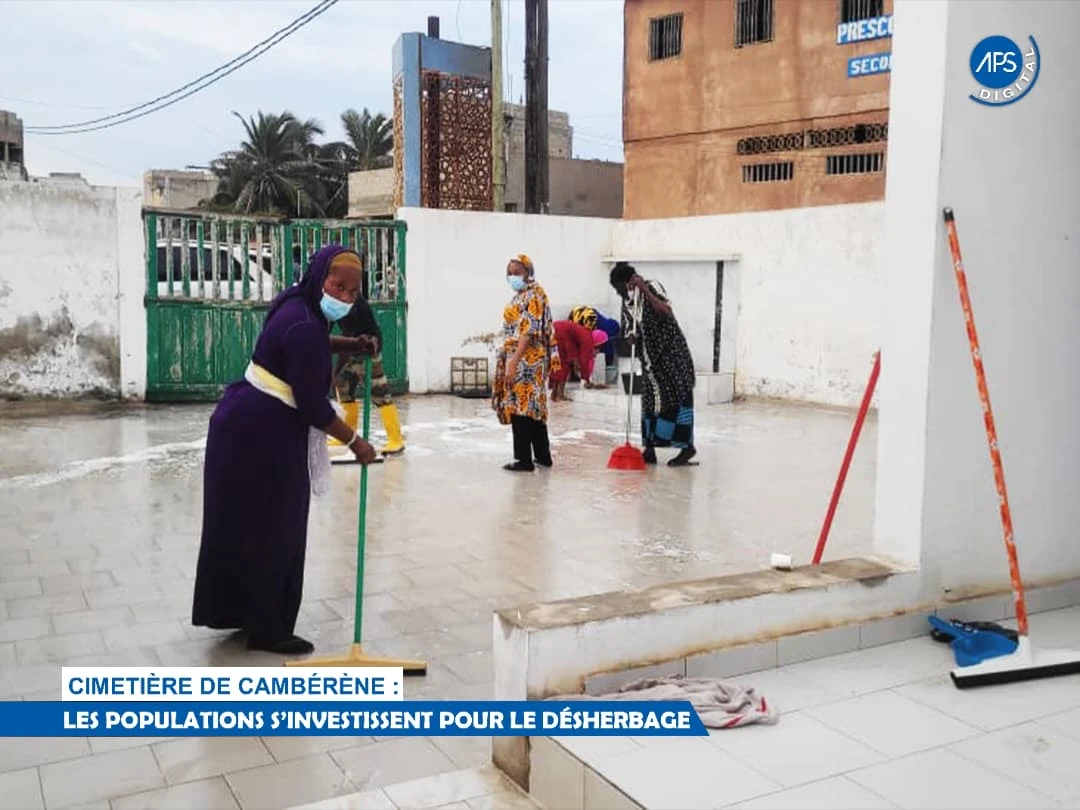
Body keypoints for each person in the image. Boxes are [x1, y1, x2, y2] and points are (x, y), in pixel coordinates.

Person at [192, 246, 378, 655]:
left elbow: (308, 343)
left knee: (245, 527)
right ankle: (267, 629)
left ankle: (242, 612)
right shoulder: (304, 325)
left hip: (243, 422)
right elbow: (313, 406)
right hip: (263, 434)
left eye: (353, 291)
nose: (345, 296)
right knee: (277, 530)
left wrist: (350, 343)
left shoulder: (295, 303)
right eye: (338, 285)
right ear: (319, 278)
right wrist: (357, 443)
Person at [609, 261, 698, 467]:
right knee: (649, 402)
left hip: (671, 357)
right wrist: (631, 338)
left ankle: (687, 448)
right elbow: (630, 330)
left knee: (677, 400)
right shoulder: (627, 302)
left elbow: (665, 311)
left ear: (627, 282)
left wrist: (645, 291)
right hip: (649, 361)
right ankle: (649, 448)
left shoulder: (652, 287)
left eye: (618, 287)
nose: (617, 292)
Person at [493, 254, 560, 472]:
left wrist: (514, 361)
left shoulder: (533, 295)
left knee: (521, 405)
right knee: (533, 406)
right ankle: (542, 455)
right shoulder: (522, 296)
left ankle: (523, 459)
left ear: (528, 272)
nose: (512, 277)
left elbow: (528, 331)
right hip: (524, 357)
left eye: (517, 272)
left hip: (527, 359)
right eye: (509, 273)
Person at [328, 286, 406, 457]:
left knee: (379, 393)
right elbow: (328, 325)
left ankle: (396, 439)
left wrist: (335, 370)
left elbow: (350, 336)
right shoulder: (332, 300)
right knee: (343, 387)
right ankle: (347, 435)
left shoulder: (352, 302)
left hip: (368, 348)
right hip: (352, 346)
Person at [550, 320, 608, 401]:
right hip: (561, 334)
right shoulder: (588, 339)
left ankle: (554, 393)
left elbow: (574, 350)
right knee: (564, 364)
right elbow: (584, 360)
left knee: (556, 363)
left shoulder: (584, 332)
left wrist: (575, 361)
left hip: (553, 330)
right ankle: (560, 394)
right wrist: (586, 379)